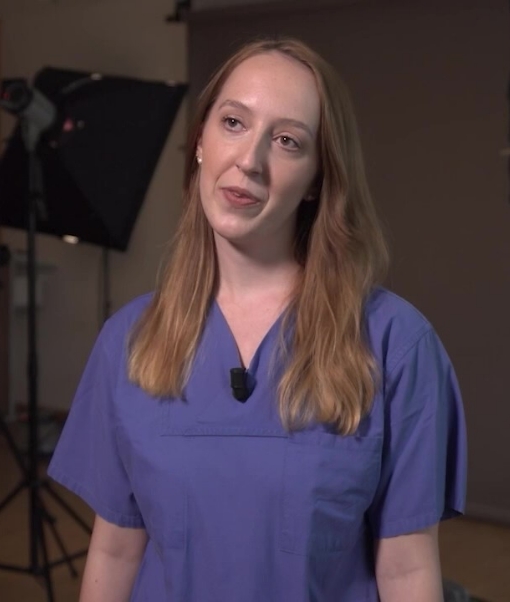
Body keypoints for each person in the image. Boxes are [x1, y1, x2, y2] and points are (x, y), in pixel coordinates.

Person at [48, 36, 468, 601]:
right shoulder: (129, 340)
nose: (249, 160)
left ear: (318, 178)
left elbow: (407, 571)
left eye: (288, 140)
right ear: (200, 142)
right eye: (233, 123)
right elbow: (116, 551)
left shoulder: (396, 344)